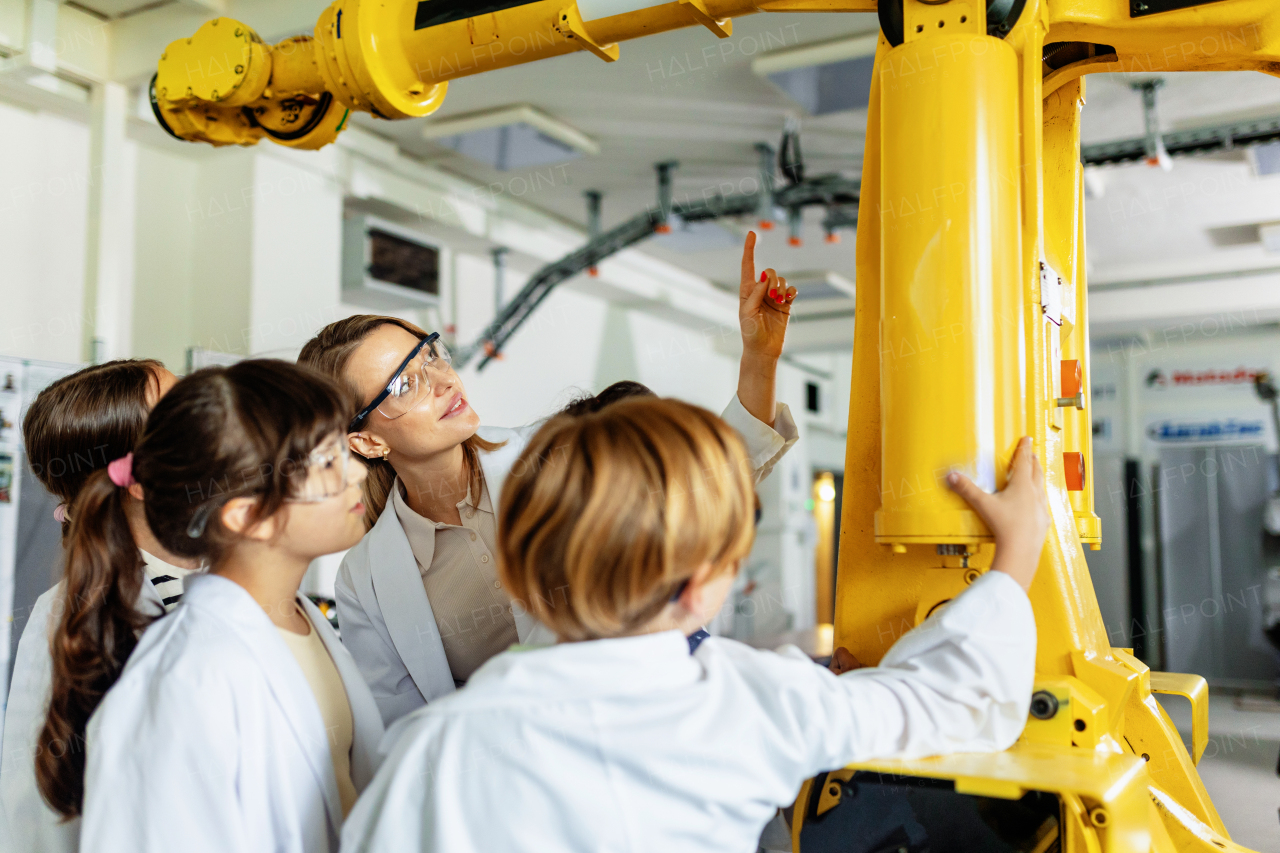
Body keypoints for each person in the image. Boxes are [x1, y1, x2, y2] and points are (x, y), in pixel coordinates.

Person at [340, 400, 1049, 853]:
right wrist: (1014, 556)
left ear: (520, 576)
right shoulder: (754, 699)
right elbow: (954, 699)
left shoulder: (436, 748)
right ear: (711, 581)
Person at [297, 231, 800, 725]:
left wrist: (759, 360)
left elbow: (706, 480)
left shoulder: (559, 452)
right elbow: (401, 724)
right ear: (365, 442)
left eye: (431, 354)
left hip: (658, 723)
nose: (445, 379)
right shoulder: (365, 581)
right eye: (406, 383)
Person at [79, 361, 384, 853]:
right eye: (328, 463)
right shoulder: (185, 679)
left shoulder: (302, 622)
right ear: (249, 517)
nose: (360, 471)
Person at [0, 359, 198, 853]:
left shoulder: (233, 575)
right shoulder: (69, 617)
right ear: (138, 478)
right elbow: (40, 821)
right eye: (181, 413)